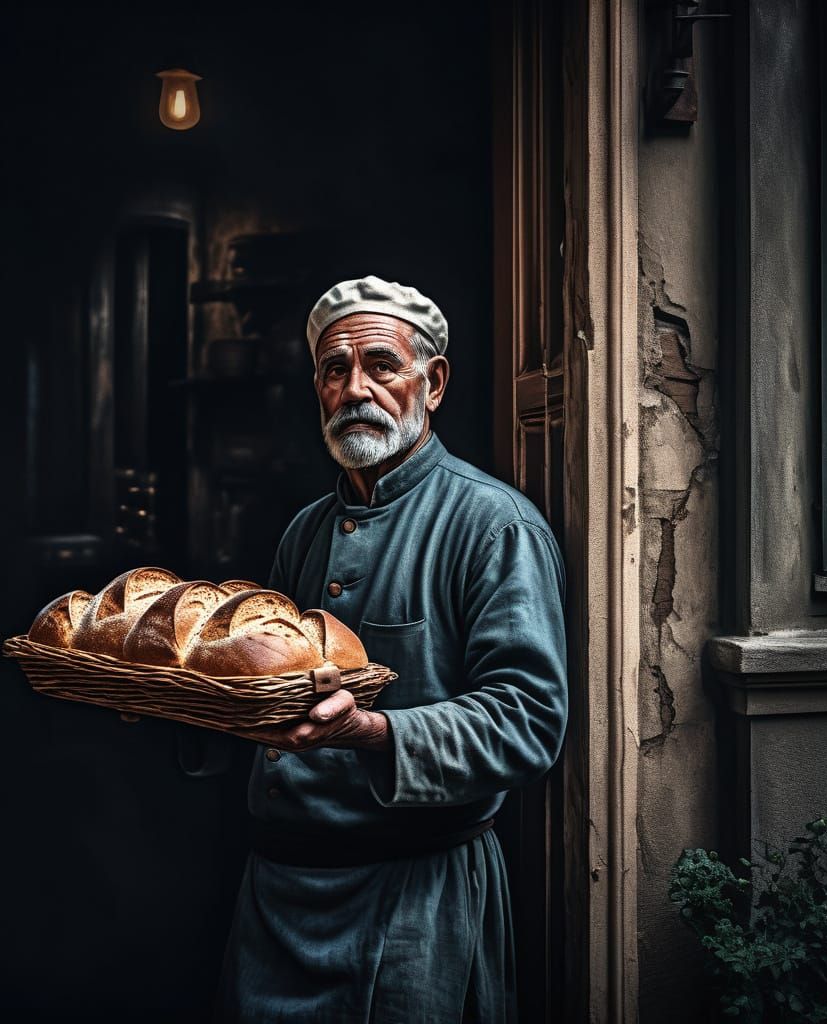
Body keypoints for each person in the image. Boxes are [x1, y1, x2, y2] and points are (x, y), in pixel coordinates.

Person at [215, 275, 568, 1023]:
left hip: (414, 904)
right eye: (334, 370)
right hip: (277, 900)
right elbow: (265, 698)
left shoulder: (495, 526)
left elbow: (529, 722)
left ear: (432, 384)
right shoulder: (305, 530)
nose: (355, 390)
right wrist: (184, 701)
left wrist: (373, 731)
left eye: (381, 365)